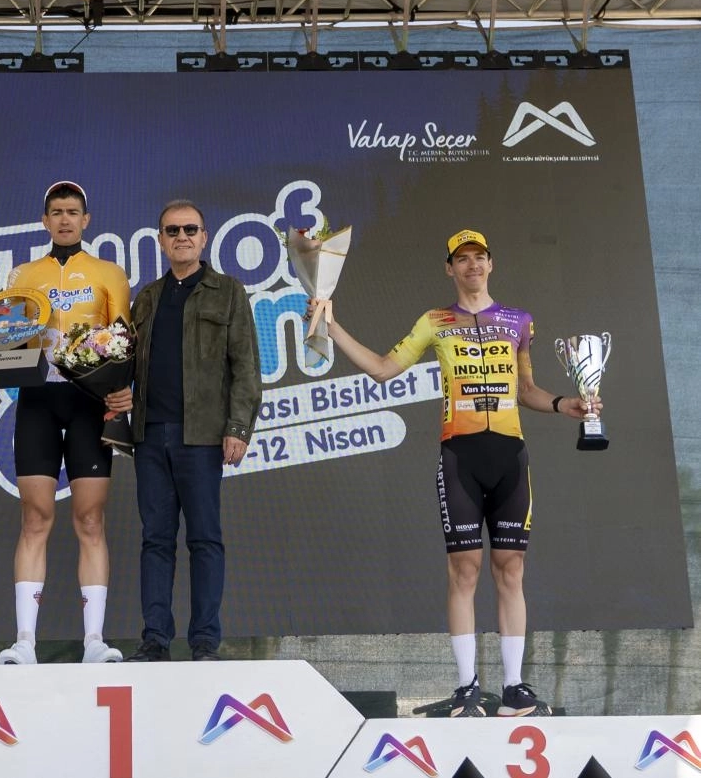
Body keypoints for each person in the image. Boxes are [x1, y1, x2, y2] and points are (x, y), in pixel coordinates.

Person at [317, 228, 600, 717]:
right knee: (464, 570)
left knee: (511, 568)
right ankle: (467, 686)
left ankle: (514, 689)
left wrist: (564, 403)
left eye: (479, 257)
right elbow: (383, 369)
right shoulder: (435, 321)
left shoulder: (518, 321)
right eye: (462, 258)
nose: (472, 265)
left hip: (510, 456)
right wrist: (333, 326)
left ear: (491, 264)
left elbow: (526, 390)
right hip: (460, 457)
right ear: (449, 268)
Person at [0, 181, 131, 665]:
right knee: (35, 517)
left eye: (73, 212)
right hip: (37, 400)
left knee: (90, 519)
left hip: (88, 403)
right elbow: (5, 338)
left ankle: (94, 641)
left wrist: (121, 392)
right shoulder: (23, 274)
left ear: (86, 220)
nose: (64, 219)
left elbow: (124, 340)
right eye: (56, 212)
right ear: (44, 221)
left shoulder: (109, 273)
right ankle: (24, 642)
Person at [106, 199, 262, 662]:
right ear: (160, 240)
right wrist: (114, 393)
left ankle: (205, 642)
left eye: (190, 229)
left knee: (204, 538)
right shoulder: (147, 298)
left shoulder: (228, 291)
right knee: (155, 540)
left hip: (203, 436)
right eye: (172, 230)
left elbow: (247, 367)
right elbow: (123, 363)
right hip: (150, 435)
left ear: (204, 237)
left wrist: (238, 427)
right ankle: (155, 639)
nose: (182, 237)